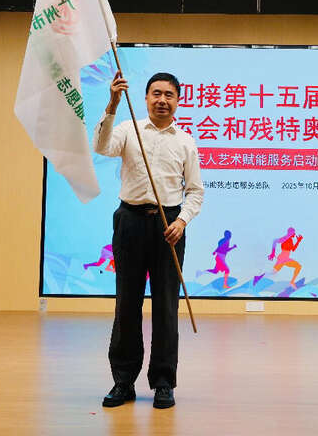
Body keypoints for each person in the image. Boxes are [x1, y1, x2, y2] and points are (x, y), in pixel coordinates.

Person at [93, 71, 204, 410]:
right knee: (127, 303)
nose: (162, 100)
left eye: (169, 95)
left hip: (168, 227)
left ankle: (163, 382)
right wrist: (112, 103)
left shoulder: (185, 141)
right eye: (156, 93)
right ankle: (123, 381)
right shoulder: (129, 129)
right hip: (130, 222)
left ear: (177, 101)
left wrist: (182, 221)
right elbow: (101, 146)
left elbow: (195, 191)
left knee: (166, 306)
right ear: (145, 98)